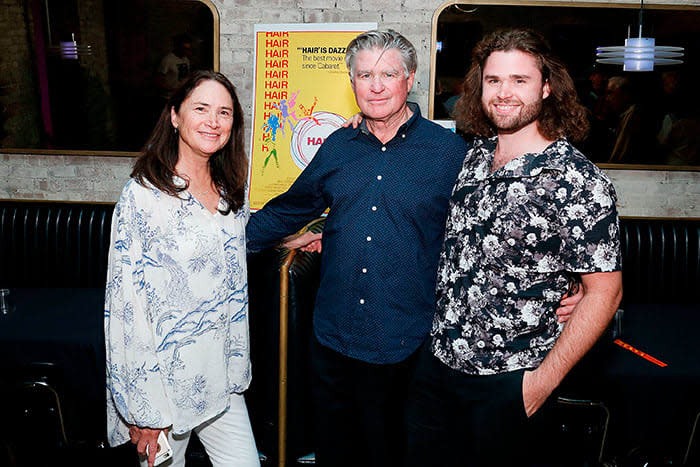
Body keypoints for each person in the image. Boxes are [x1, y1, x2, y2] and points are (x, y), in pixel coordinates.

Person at [246, 29, 579, 467]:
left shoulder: (452, 153)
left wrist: (569, 284)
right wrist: (220, 243)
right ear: (352, 83)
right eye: (365, 75)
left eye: (388, 73)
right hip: (332, 341)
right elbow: (290, 209)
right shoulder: (337, 146)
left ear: (410, 79)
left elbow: (501, 227)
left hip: (410, 348)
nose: (377, 85)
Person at [404, 29, 623, 466]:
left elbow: (606, 292)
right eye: (493, 80)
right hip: (437, 369)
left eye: (519, 81)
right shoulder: (473, 157)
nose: (504, 93)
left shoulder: (577, 181)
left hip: (510, 383)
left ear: (546, 87)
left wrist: (540, 384)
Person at [105, 70, 259, 467]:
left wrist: (295, 237)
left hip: (221, 377)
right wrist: (143, 410)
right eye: (201, 109)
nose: (213, 121)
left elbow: (231, 247)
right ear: (175, 116)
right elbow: (126, 307)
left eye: (224, 112)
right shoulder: (144, 196)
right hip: (164, 387)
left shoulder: (231, 189)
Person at [156, 34, 193, 102]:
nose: (186, 51)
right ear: (178, 47)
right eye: (184, 48)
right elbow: (159, 79)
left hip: (181, 96)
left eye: (188, 49)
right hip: (168, 97)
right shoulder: (168, 59)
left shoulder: (186, 59)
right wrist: (171, 89)